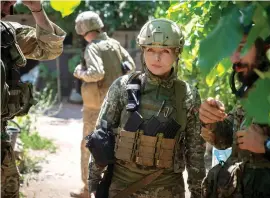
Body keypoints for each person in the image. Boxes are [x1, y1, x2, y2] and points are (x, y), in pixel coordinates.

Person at [87, 18, 205, 198]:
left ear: (177, 53)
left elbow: (195, 150)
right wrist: (94, 183)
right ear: (143, 51)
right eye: (150, 50)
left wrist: (198, 192)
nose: (156, 58)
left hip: (168, 190)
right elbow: (101, 138)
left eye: (165, 51)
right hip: (122, 189)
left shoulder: (188, 95)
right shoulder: (123, 87)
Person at [199, 24, 270, 198]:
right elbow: (229, 140)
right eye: (231, 49)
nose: (234, 57)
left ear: (266, 49)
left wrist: (269, 145)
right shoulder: (253, 88)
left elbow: (258, 143)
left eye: (242, 48)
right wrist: (213, 121)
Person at [1, 1, 66, 197]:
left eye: (11, 5)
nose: (8, 11)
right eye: (5, 3)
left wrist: (36, 9)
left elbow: (49, 48)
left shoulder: (7, 34)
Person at [70, 11, 136, 198]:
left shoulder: (92, 47)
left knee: (89, 145)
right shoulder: (114, 44)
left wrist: (79, 72)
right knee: (116, 145)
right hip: (118, 105)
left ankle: (87, 190)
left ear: (82, 29)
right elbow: (131, 67)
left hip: (96, 107)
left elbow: (96, 73)